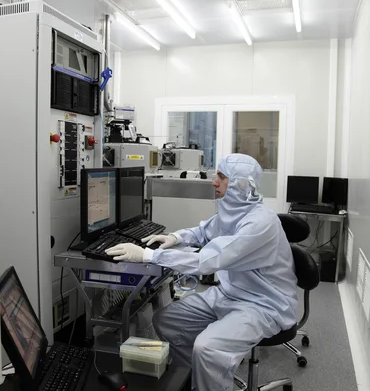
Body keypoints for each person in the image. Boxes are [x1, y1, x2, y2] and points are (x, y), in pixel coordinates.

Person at [105, 154, 298, 391]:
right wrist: (175, 237)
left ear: (240, 184)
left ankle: (210, 379)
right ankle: (195, 378)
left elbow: (209, 260)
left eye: (222, 177)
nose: (214, 181)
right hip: (231, 294)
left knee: (207, 348)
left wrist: (148, 255)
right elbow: (204, 231)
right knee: (167, 320)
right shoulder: (235, 211)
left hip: (262, 304)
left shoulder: (260, 223)